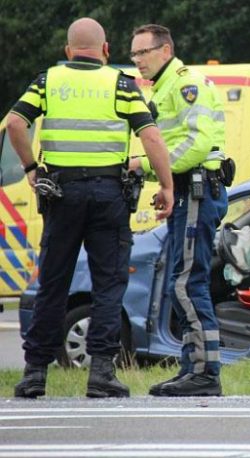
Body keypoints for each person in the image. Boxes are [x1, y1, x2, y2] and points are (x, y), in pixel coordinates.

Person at [8, 17, 174, 398]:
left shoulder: (47, 81)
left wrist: (31, 168)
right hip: (108, 195)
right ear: (106, 51)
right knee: (109, 283)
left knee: (53, 282)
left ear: (68, 51)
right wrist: (165, 185)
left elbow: (16, 124)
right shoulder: (120, 85)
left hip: (61, 194)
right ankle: (101, 373)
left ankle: (35, 374)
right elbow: (150, 136)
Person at [129, 24, 229, 396]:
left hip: (197, 191)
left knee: (188, 283)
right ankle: (193, 369)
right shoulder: (165, 86)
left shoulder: (186, 83)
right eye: (134, 54)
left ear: (165, 49)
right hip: (188, 191)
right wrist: (149, 168)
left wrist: (159, 173)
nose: (137, 61)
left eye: (144, 53)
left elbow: (197, 142)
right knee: (182, 282)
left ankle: (205, 373)